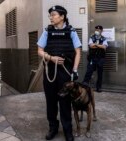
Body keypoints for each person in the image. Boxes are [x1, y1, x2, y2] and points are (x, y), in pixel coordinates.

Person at [37, 5, 82, 141]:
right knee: (51, 101)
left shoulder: (71, 32)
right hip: (50, 72)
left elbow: (78, 52)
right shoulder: (47, 32)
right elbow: (39, 51)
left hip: (66, 72)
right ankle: (53, 128)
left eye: (54, 15)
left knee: (65, 101)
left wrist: (74, 70)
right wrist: (51, 58)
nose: (51, 17)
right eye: (50, 15)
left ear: (62, 17)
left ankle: (67, 130)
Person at [82, 25, 108, 92]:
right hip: (92, 58)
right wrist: (100, 45)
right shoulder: (92, 37)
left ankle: (98, 87)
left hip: (100, 58)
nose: (97, 31)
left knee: (100, 73)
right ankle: (85, 85)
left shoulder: (104, 38)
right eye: (96, 30)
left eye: (99, 30)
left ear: (101, 31)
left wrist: (95, 45)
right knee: (89, 72)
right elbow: (91, 46)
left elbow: (104, 47)